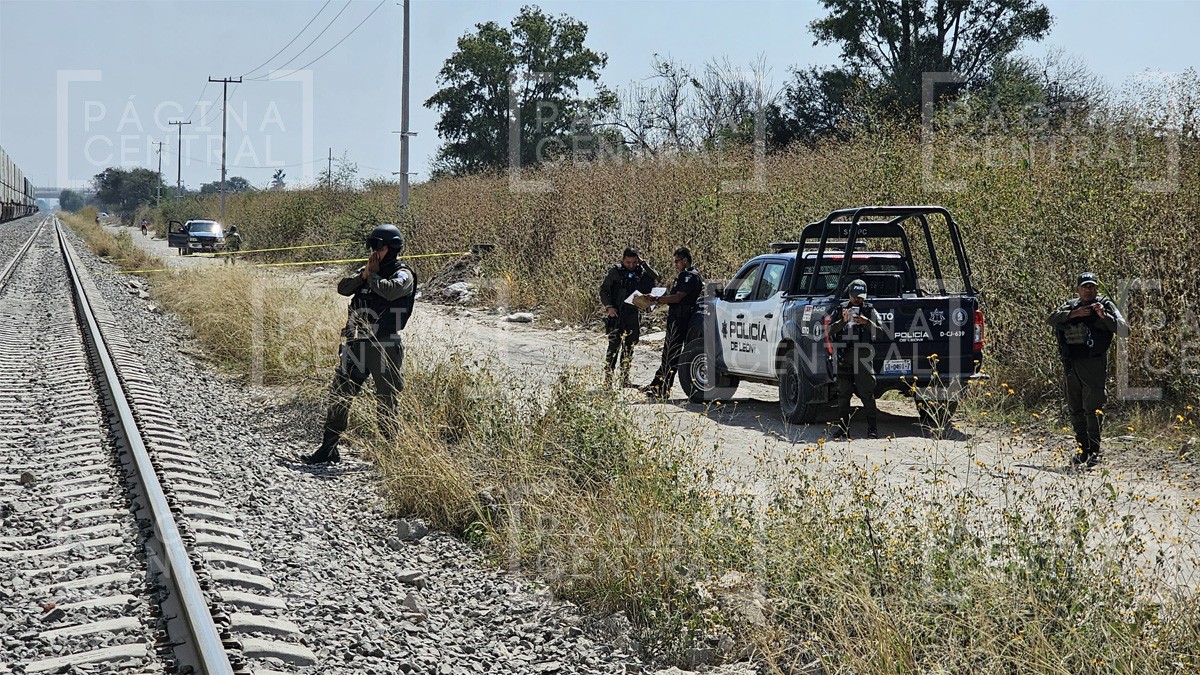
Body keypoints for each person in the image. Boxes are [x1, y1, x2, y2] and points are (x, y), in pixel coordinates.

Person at [304, 224, 416, 464]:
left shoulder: (402, 273)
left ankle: (390, 456)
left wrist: (373, 276)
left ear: (393, 248)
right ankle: (328, 448)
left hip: (384, 345)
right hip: (356, 344)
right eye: (373, 246)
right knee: (340, 395)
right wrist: (364, 275)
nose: (374, 252)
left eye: (379, 247)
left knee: (386, 400)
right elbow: (343, 289)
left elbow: (390, 292)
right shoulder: (367, 271)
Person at [1047, 271, 1129, 469]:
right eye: (1084, 286)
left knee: (1093, 408)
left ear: (1096, 288)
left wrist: (1103, 315)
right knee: (1076, 409)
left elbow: (1124, 330)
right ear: (1078, 289)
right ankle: (1083, 450)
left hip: (1093, 364)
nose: (1088, 290)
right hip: (1071, 364)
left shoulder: (1105, 305)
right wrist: (1073, 314)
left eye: (1092, 286)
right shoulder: (1070, 305)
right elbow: (1051, 319)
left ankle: (1094, 452)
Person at [640, 247, 702, 399]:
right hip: (675, 316)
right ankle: (657, 385)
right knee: (668, 353)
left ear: (685, 260)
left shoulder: (690, 276)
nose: (676, 265)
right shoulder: (683, 276)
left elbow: (678, 297)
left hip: (682, 317)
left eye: (677, 261)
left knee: (672, 355)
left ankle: (663, 389)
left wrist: (657, 300)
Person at [828, 279, 884, 439]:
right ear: (849, 295)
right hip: (844, 356)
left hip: (863, 357)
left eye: (861, 297)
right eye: (855, 297)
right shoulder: (841, 309)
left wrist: (866, 322)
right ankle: (843, 428)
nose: (858, 300)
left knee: (867, 393)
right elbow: (829, 331)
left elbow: (881, 332)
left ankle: (872, 429)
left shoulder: (869, 310)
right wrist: (843, 321)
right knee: (843, 393)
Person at [599, 247, 658, 387]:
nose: (631, 265)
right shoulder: (615, 271)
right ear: (622, 260)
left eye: (634, 262)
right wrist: (609, 307)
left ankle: (625, 379)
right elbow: (603, 290)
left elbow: (655, 277)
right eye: (628, 262)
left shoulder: (640, 271)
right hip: (617, 314)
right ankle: (608, 381)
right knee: (613, 348)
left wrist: (643, 264)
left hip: (632, 315)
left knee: (629, 348)